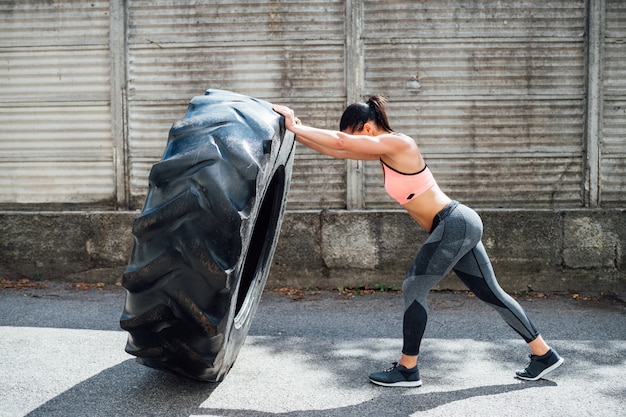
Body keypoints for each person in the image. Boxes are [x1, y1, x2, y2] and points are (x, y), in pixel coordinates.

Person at [273, 96, 564, 387]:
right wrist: (294, 132)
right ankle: (544, 354)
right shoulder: (383, 152)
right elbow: (338, 151)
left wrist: (296, 125)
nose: (351, 141)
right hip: (454, 226)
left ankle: (407, 369)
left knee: (414, 285)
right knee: (491, 293)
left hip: (454, 223)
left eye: (353, 135)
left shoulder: (401, 144)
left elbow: (339, 143)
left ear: (366, 129)